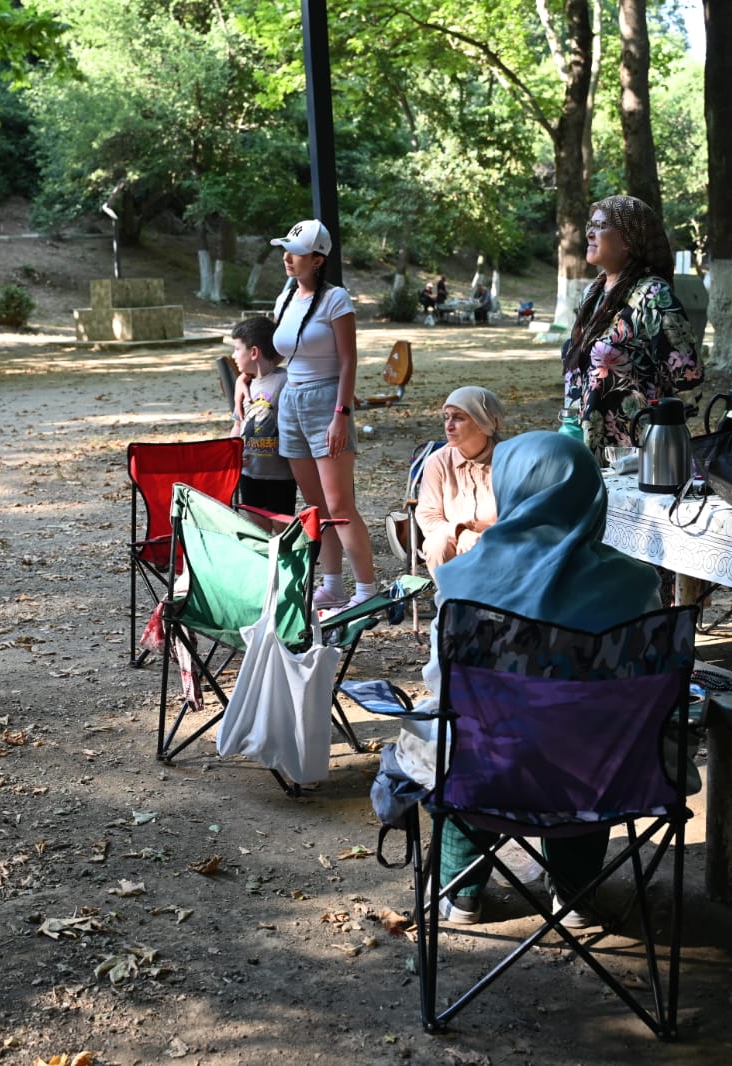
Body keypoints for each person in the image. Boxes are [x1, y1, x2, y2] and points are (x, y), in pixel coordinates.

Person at [391, 432, 663, 924]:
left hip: (486, 772)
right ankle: (575, 892)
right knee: (588, 735)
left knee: (459, 735)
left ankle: (461, 889)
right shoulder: (639, 583)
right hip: (606, 777)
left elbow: (441, 681)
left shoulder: (461, 580)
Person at [269, 219, 377, 611]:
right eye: (286, 250)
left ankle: (366, 589)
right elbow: (282, 351)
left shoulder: (336, 299)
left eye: (295, 252)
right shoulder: (285, 298)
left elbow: (349, 362)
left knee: (340, 504)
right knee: (315, 506)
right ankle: (332, 585)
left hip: (326, 399)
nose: (287, 258)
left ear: (317, 259)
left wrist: (340, 415)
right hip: (290, 400)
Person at [564, 195, 702, 457]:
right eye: (590, 225)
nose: (591, 233)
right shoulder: (593, 294)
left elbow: (688, 375)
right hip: (586, 444)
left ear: (629, 239)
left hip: (636, 450)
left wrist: (661, 429)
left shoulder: (652, 296)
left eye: (602, 226)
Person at [415, 386, 505, 575]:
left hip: (500, 542)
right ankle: (451, 601)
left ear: (483, 422)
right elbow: (427, 516)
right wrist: (460, 532)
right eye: (446, 417)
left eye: (459, 418)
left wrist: (485, 538)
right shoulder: (438, 462)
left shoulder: (509, 460)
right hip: (454, 541)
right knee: (436, 544)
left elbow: (523, 516)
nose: (448, 426)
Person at [228, 315, 297, 515]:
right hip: (249, 473)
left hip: (281, 475)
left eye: (237, 348)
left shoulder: (286, 380)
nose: (233, 355)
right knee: (256, 528)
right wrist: (233, 453)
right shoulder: (244, 386)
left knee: (281, 526)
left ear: (254, 352)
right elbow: (237, 424)